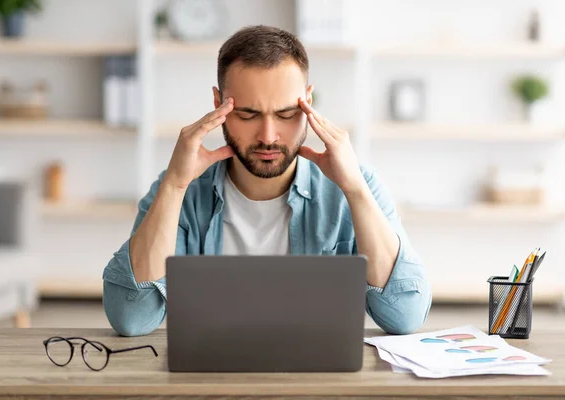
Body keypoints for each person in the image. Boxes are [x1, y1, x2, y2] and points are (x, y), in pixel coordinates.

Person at [102, 25, 431, 337]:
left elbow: (404, 316)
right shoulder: (181, 188)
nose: (268, 136)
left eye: (287, 114)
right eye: (247, 115)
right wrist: (174, 186)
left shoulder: (357, 184)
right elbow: (133, 318)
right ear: (218, 105)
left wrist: (355, 191)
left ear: (308, 102)